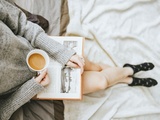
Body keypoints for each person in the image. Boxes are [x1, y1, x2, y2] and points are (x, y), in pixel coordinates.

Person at [0, 0, 158, 120]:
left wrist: (63, 53)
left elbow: (21, 23)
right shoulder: (30, 87)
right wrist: (31, 88)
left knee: (94, 67)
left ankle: (126, 78)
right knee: (101, 82)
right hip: (31, 84)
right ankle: (128, 72)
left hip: (41, 49)